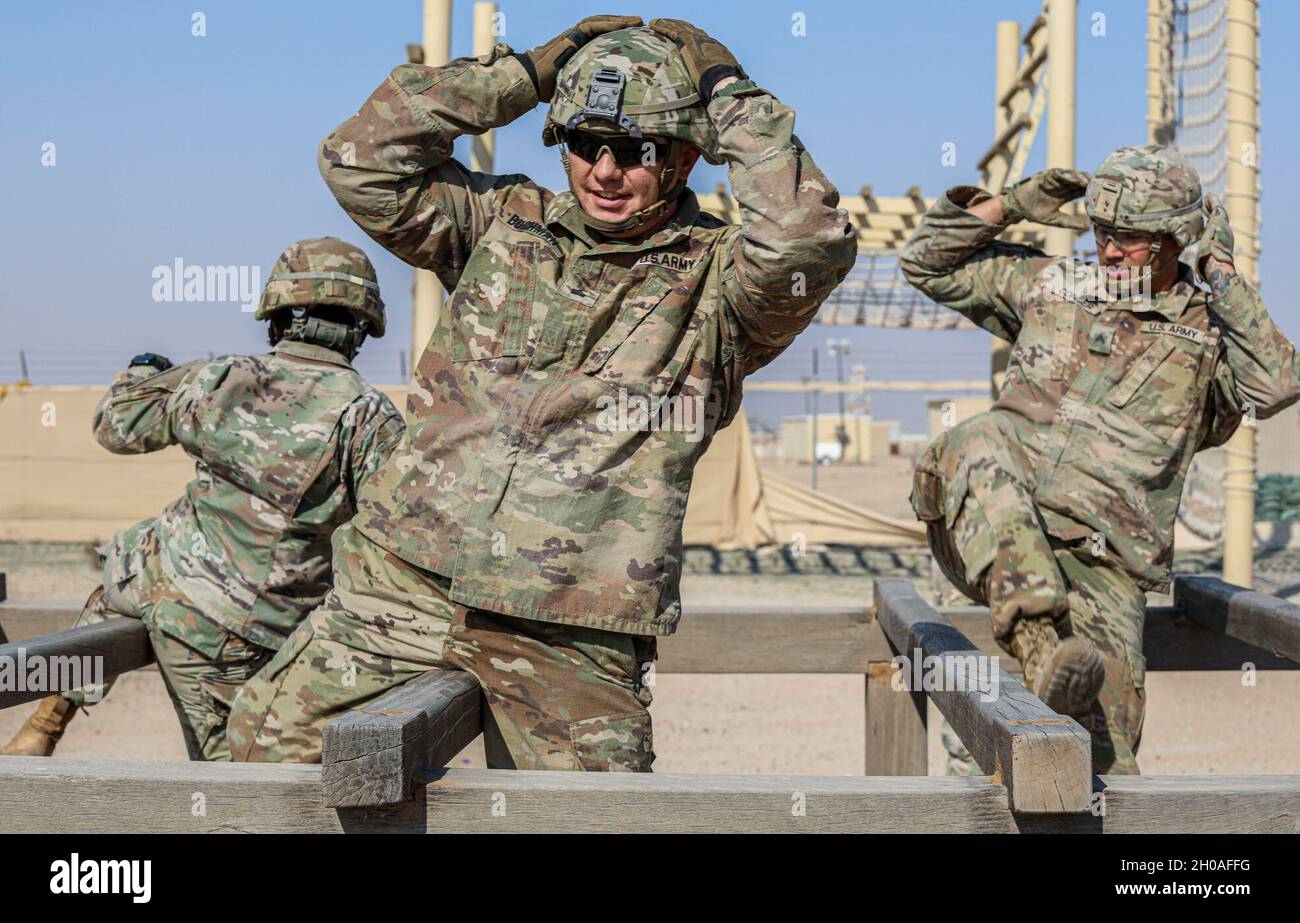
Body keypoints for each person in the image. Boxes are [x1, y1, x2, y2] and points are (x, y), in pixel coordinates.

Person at [226, 16, 856, 771]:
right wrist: (524, 74)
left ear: (687, 158)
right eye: (587, 145)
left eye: (636, 151)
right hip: (399, 587)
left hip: (568, 629)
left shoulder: (719, 286)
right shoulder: (501, 224)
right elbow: (357, 157)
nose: (606, 171)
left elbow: (804, 237)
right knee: (260, 772)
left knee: (593, 826)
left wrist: (730, 95)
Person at [900, 145, 1300, 772]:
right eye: (1101, 232)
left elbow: (1276, 385)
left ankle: (1018, 722)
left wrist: (1220, 272)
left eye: (1131, 239)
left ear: (1176, 240)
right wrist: (1012, 204)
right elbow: (924, 263)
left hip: (1105, 562)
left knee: (1099, 764)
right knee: (978, 437)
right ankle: (1035, 642)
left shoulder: (1209, 337)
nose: (1109, 250)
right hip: (997, 523)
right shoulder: (1053, 285)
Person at [1, 238, 406, 760]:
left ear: (278, 318)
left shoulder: (225, 377)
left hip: (193, 614)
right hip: (288, 629)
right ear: (361, 329)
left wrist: (144, 372)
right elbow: (398, 531)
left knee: (226, 788)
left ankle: (44, 725)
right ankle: (42, 727)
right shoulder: (370, 417)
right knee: (138, 556)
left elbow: (116, 425)